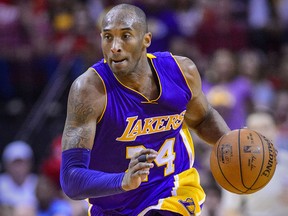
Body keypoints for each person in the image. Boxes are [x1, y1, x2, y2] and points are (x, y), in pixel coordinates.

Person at [60, 3, 230, 215]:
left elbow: (203, 119)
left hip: (173, 191)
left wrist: (233, 143)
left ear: (146, 40)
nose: (115, 46)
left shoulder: (181, 72)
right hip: (113, 207)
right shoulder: (89, 90)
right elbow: (71, 178)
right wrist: (123, 180)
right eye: (107, 37)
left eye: (125, 36)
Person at [219, 111, 288, 216]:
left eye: (265, 127)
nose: (260, 133)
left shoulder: (286, 161)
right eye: (254, 129)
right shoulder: (236, 168)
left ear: (276, 130)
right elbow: (230, 211)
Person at [0, 140, 38, 213]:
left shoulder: (38, 183)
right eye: (15, 164)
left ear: (30, 164)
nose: (18, 168)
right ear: (6, 165)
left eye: (22, 163)